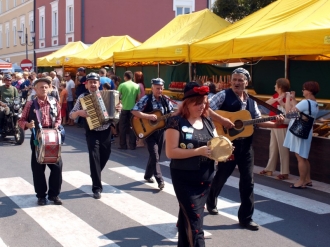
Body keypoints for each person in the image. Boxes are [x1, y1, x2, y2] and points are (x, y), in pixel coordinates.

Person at [206, 68, 284, 231]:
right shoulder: (223, 95)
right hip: (227, 144)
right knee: (221, 175)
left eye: (240, 80)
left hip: (246, 145)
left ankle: (246, 218)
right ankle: (211, 198)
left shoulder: (251, 101)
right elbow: (206, 108)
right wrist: (222, 120)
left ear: (246, 82)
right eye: (234, 79)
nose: (236, 82)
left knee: (248, 181)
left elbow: (256, 121)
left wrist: (276, 123)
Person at [165, 82, 215, 246]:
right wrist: (197, 152)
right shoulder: (175, 121)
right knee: (195, 223)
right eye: (198, 103)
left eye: (204, 102)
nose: (202, 106)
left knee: (187, 218)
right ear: (187, 103)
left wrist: (224, 151)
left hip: (205, 179)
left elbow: (215, 146)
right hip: (184, 179)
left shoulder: (207, 121)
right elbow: (170, 152)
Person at [18, 77, 63, 206]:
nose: (43, 89)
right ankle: (41, 196)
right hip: (38, 138)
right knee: (38, 168)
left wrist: (57, 126)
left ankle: (54, 195)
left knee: (57, 168)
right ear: (35, 89)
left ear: (49, 88)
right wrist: (28, 125)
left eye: (45, 87)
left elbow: (59, 117)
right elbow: (21, 121)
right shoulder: (30, 104)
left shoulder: (54, 101)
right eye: (40, 87)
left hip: (53, 138)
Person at [69, 72, 115, 199]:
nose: (93, 84)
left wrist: (118, 108)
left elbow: (115, 112)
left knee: (106, 154)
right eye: (90, 82)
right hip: (91, 131)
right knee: (94, 157)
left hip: (106, 129)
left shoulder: (107, 95)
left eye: (95, 82)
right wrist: (79, 112)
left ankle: (95, 174)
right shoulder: (82, 97)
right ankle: (97, 187)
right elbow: (71, 115)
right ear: (86, 84)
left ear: (99, 84)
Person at [132, 78, 173, 190]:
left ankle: (147, 175)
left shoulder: (166, 100)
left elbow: (171, 113)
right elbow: (134, 110)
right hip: (148, 131)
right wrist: (148, 116)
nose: (159, 91)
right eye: (157, 88)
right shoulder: (146, 98)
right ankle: (160, 180)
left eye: (161, 89)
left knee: (156, 155)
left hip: (161, 131)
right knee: (155, 155)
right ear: (153, 88)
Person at [283, 81, 319, 189]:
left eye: (304, 89)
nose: (302, 91)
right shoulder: (314, 103)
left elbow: (288, 113)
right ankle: (307, 179)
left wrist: (288, 98)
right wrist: (293, 99)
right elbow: (299, 111)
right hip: (306, 131)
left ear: (309, 91)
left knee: (300, 157)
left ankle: (301, 181)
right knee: (304, 156)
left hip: (299, 131)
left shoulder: (305, 102)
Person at [259, 78, 291, 180]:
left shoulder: (288, 97)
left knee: (283, 149)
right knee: (273, 147)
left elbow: (289, 111)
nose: (274, 86)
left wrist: (281, 102)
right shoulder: (276, 95)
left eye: (276, 85)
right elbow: (266, 104)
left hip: (282, 125)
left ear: (280, 87)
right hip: (273, 124)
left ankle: (285, 172)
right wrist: (276, 100)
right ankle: (269, 168)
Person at [117, 71, 140, 150]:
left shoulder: (122, 85)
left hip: (124, 109)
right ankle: (132, 145)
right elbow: (139, 98)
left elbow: (117, 97)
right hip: (133, 109)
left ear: (125, 77)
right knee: (132, 127)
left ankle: (123, 145)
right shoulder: (136, 86)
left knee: (122, 127)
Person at [134, 71, 146, 148]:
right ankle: (140, 140)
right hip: (143, 106)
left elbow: (137, 97)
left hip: (140, 107)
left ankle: (140, 141)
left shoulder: (138, 85)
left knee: (139, 124)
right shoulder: (142, 85)